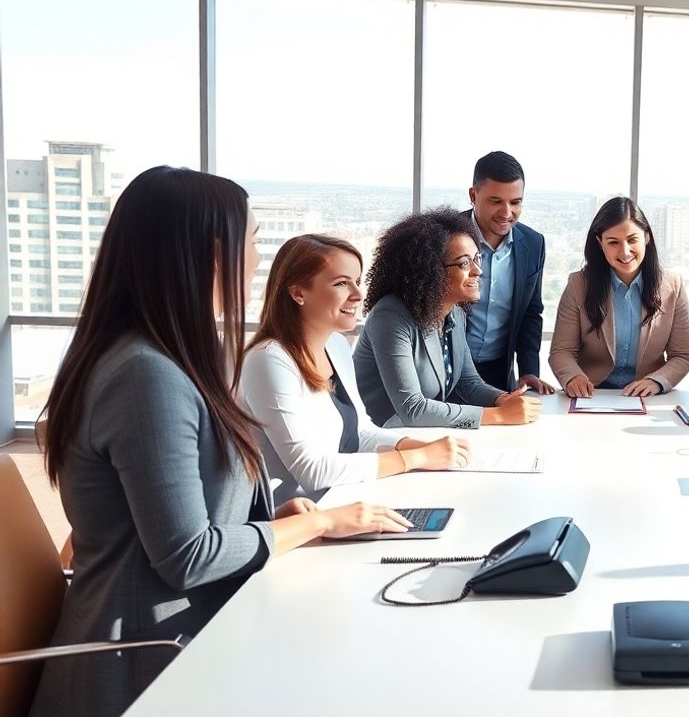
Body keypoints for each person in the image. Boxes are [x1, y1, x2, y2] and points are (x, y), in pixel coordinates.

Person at [30, 167, 412, 717]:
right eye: (253, 240)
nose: (257, 259)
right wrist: (318, 523)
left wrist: (274, 516)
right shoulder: (146, 375)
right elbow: (187, 556)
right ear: (210, 253)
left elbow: (178, 515)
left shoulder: (169, 357)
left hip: (189, 633)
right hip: (145, 662)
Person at [240, 234, 474, 502]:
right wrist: (416, 457)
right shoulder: (268, 361)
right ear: (298, 293)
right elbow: (312, 471)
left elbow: (360, 433)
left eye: (358, 281)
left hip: (341, 498)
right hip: (296, 517)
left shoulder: (336, 346)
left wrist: (422, 448)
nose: (358, 294)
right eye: (341, 283)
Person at [353, 210, 541, 429]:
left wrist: (504, 400)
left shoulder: (455, 313)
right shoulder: (390, 317)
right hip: (378, 439)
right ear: (428, 270)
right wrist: (497, 416)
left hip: (422, 437)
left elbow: (468, 383)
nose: (478, 271)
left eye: (476, 259)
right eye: (463, 264)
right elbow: (412, 409)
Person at [550, 196, 689, 397]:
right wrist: (574, 377)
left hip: (646, 395)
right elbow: (561, 351)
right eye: (613, 242)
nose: (624, 252)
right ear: (600, 243)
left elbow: (682, 355)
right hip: (593, 394)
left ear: (646, 237)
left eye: (632, 240)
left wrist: (656, 382)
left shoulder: (673, 286)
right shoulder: (578, 285)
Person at [460, 152, 554, 394]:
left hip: (499, 373)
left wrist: (529, 371)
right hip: (446, 368)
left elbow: (531, 313)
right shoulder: (445, 237)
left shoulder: (533, 244)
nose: (506, 212)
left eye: (515, 202)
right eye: (495, 201)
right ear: (473, 195)